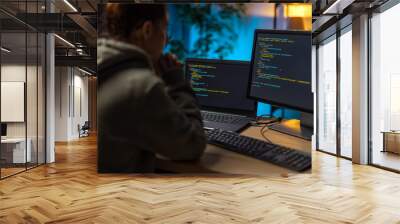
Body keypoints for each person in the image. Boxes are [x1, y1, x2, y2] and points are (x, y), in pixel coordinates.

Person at [97, 3, 206, 173]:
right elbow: (193, 145)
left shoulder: (102, 62)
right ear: (147, 30)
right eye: (165, 29)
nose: (166, 39)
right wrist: (177, 82)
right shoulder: (141, 87)